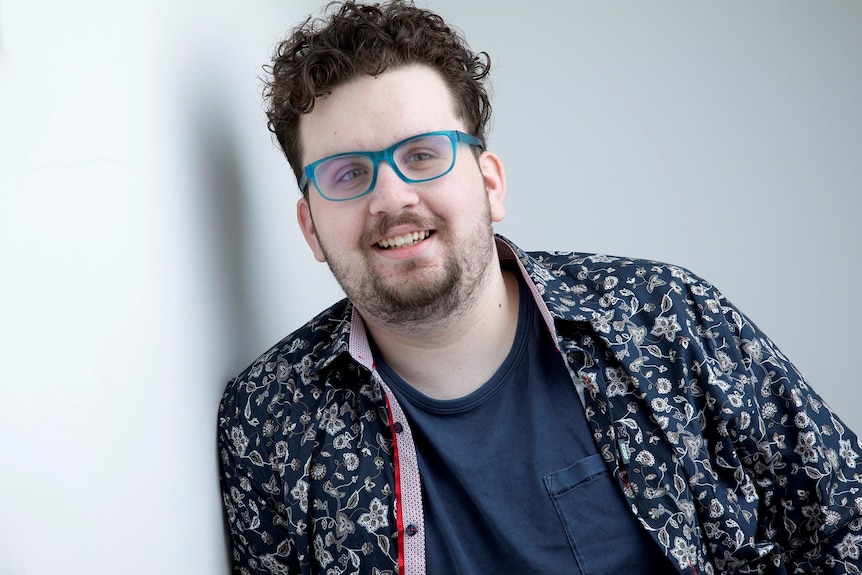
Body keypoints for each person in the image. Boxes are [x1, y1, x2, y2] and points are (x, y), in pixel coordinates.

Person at [217, 1, 862, 573]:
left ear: (490, 182)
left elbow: (845, 522)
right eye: (346, 173)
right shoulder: (270, 425)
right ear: (309, 224)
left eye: (422, 154)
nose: (391, 197)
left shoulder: (666, 317)